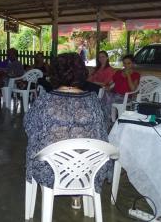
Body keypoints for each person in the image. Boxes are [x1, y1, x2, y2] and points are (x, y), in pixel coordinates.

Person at [24, 53, 112, 210]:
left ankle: (50, 194)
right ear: (81, 73)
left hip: (51, 169)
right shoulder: (94, 101)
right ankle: (78, 194)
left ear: (55, 74)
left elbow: (29, 127)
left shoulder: (44, 101)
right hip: (89, 168)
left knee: (44, 143)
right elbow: (103, 129)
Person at [105, 54, 140, 121]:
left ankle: (108, 118)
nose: (126, 65)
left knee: (108, 100)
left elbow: (133, 89)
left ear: (132, 64)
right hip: (114, 94)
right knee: (104, 96)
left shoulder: (136, 75)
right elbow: (110, 82)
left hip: (125, 97)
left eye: (129, 63)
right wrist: (107, 86)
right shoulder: (118, 72)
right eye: (124, 63)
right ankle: (108, 117)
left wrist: (128, 76)